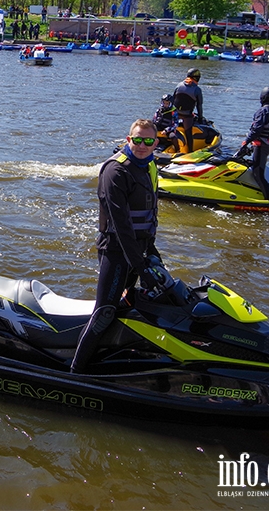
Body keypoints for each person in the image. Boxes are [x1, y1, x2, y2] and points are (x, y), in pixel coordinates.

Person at [72, 119, 161, 371]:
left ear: (155, 143)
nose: (142, 145)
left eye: (147, 140)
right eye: (137, 139)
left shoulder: (150, 165)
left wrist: (151, 250)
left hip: (138, 250)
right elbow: (121, 224)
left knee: (129, 305)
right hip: (116, 250)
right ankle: (75, 372)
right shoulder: (115, 171)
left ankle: (110, 355)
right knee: (105, 314)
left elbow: (151, 211)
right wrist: (139, 265)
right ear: (128, 139)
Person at [233, 87, 269, 200]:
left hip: (261, 146)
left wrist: (246, 142)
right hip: (268, 146)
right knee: (253, 165)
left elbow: (256, 130)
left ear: (263, 97)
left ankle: (267, 200)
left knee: (258, 174)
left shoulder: (263, 111)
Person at [172, 67, 204, 153]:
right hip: (187, 116)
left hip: (175, 113)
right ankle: (190, 151)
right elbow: (199, 106)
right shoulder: (197, 90)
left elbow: (173, 99)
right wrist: (200, 118)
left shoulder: (179, 85)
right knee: (188, 133)